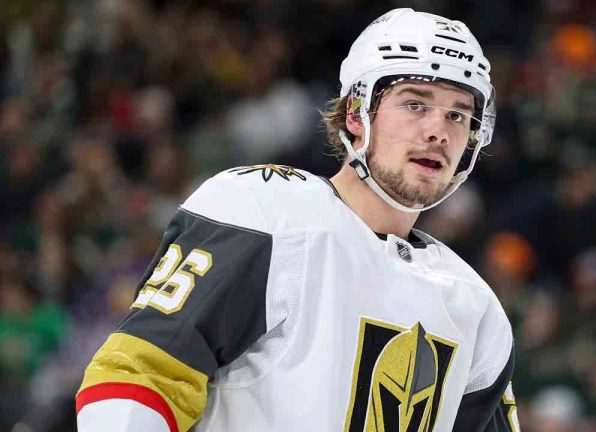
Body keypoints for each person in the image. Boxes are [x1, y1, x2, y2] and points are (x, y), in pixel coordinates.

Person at [76, 8, 519, 432]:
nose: (439, 131)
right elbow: (141, 373)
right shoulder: (266, 213)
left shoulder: (476, 309)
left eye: (458, 114)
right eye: (415, 104)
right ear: (356, 113)